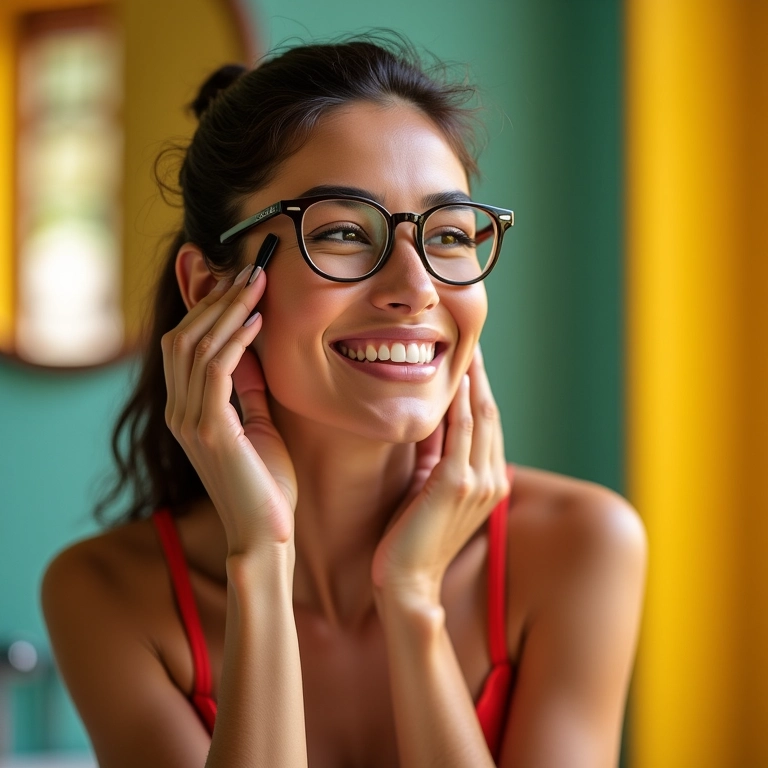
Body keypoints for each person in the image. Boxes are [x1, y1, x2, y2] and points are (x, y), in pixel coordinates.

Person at [41, 36, 646, 768]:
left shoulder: (581, 547)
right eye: (342, 233)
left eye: (449, 236)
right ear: (209, 289)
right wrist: (261, 558)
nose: (417, 288)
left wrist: (412, 601)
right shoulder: (108, 595)